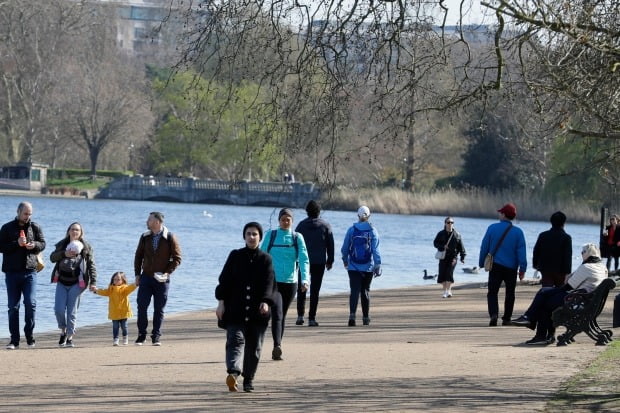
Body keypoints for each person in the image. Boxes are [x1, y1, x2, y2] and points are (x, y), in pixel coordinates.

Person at [216, 222, 276, 392]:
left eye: (254, 234)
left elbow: (269, 283)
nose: (251, 237)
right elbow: (224, 281)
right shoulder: (235, 256)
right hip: (235, 309)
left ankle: (248, 379)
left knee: (254, 347)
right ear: (244, 236)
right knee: (235, 340)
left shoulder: (266, 259)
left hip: (258, 312)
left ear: (260, 237)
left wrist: (265, 301)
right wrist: (221, 302)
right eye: (248, 234)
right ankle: (233, 373)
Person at [512, 243, 607, 345]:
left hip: (576, 301)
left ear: (588, 253)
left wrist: (567, 278)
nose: (581, 254)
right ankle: (533, 323)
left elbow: (568, 286)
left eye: (583, 252)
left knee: (544, 298)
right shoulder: (602, 267)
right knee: (545, 294)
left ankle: (536, 327)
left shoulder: (587, 267)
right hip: (585, 301)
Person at [261, 208, 309, 361]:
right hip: (273, 282)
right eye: (283, 219)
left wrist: (305, 279)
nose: (285, 222)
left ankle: (277, 346)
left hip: (290, 282)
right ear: (279, 221)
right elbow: (262, 256)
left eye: (288, 219)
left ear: (292, 221)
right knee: (277, 313)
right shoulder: (271, 235)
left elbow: (303, 258)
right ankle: (277, 345)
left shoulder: (297, 238)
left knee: (282, 314)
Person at [0, 201, 46, 349]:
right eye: (25, 213)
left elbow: (43, 243)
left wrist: (35, 246)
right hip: (12, 273)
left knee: (30, 303)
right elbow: (1, 247)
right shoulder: (6, 228)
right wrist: (16, 243)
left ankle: (30, 336)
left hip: (30, 272)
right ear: (18, 212)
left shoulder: (35, 227)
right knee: (13, 307)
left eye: (30, 213)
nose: (28, 216)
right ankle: (14, 340)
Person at [134, 211, 182, 346]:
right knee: (141, 306)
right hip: (146, 277)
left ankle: (156, 336)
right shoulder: (145, 237)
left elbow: (177, 258)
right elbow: (138, 256)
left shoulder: (170, 237)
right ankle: (141, 335)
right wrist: (137, 274)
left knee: (159, 308)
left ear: (157, 222)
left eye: (149, 220)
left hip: (162, 280)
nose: (146, 222)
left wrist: (167, 273)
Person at [49, 222, 97, 348]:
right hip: (62, 281)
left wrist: (93, 282)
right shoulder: (62, 244)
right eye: (72, 229)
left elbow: (91, 265)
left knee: (71, 311)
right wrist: (64, 254)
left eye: (77, 230)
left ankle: (70, 337)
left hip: (78, 283)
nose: (75, 232)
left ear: (81, 233)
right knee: (58, 309)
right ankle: (63, 330)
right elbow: (52, 258)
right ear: (68, 231)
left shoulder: (86, 247)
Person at [478, 203, 527, 327]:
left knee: (492, 292)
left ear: (504, 214)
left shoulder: (492, 228)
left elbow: (484, 246)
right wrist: (523, 269)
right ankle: (506, 318)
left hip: (496, 266)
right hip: (511, 267)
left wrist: (481, 262)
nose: (499, 214)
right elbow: (521, 251)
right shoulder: (518, 232)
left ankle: (494, 314)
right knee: (510, 293)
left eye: (500, 212)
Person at [294, 200, 335, 326]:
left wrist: (294, 260)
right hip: (319, 261)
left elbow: (294, 243)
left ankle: (300, 316)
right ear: (319, 211)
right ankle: (311, 318)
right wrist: (330, 260)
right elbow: (330, 244)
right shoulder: (325, 225)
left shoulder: (301, 225)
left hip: (303, 261)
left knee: (302, 288)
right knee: (315, 291)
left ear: (307, 211)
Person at [341, 205, 382, 327]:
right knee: (365, 291)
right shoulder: (373, 231)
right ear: (369, 216)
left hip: (353, 266)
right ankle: (365, 318)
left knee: (354, 291)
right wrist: (377, 264)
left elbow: (344, 248)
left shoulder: (351, 230)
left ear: (358, 216)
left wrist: (345, 260)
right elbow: (375, 250)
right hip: (368, 267)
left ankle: (352, 316)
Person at [93, 271, 138, 346]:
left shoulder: (125, 289)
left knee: (124, 326)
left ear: (123, 280)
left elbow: (131, 288)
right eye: (115, 279)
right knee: (115, 327)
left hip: (124, 311)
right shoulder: (111, 289)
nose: (116, 281)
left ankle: (125, 338)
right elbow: (104, 292)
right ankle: (116, 339)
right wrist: (96, 290)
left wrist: (135, 284)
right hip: (114, 312)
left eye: (118, 279)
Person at [532, 211, 572, 288]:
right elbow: (567, 256)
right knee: (559, 293)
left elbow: (536, 251)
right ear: (563, 223)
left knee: (546, 290)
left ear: (551, 222)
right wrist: (568, 272)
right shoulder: (566, 238)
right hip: (561, 271)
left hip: (545, 269)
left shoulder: (543, 235)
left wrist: (535, 264)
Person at [433, 217, 466, 298]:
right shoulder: (441, 234)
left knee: (449, 273)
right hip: (443, 257)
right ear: (445, 223)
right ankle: (444, 291)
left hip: (453, 257)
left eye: (452, 222)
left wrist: (462, 257)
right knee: (442, 274)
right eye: (448, 222)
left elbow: (461, 247)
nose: (450, 224)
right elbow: (435, 243)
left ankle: (449, 291)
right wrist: (442, 246)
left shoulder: (457, 234)